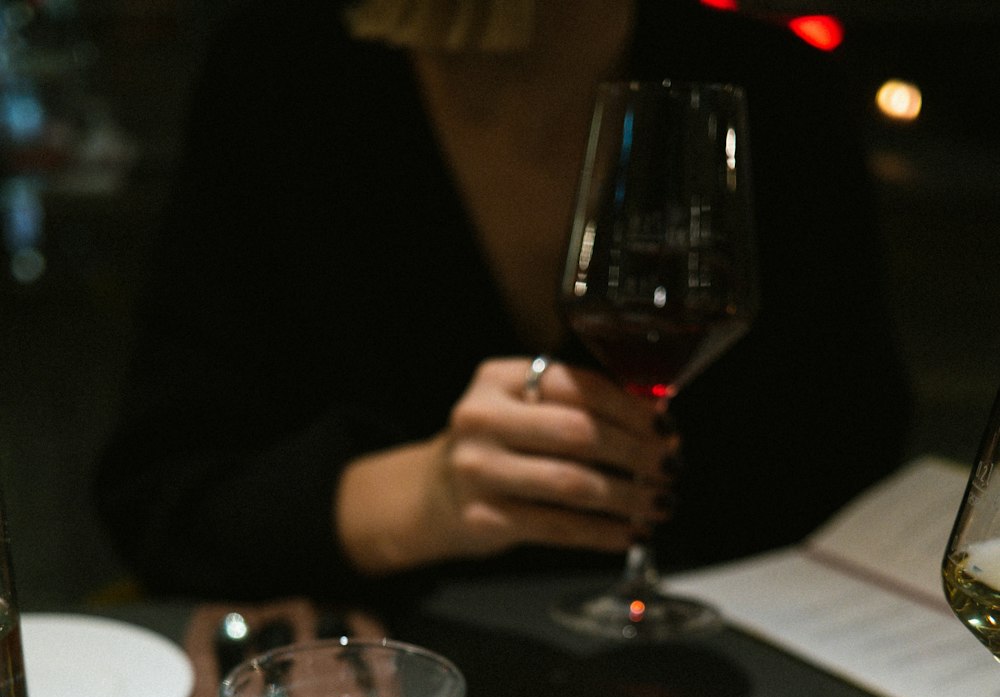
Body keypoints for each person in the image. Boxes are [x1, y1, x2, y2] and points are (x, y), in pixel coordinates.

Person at [91, 0, 910, 611]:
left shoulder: (772, 86)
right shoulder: (283, 73)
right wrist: (426, 499)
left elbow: (858, 467)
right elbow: (163, 504)